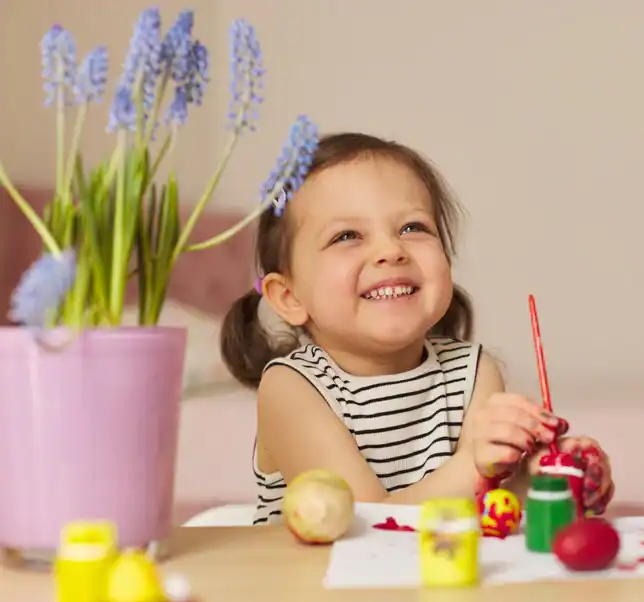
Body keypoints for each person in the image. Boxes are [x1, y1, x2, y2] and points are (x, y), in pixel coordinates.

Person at [220, 132, 614, 525]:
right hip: (317, 585)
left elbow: (490, 508)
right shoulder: (291, 389)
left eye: (412, 228)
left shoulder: (472, 373)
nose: (391, 251)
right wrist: (478, 468)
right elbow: (361, 523)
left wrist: (549, 477)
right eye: (347, 236)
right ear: (289, 296)